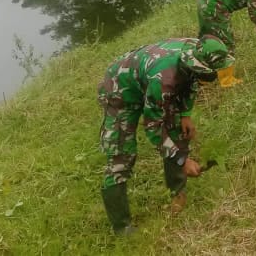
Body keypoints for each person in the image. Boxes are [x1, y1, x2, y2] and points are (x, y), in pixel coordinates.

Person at [98, 36, 230, 232]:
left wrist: (185, 114)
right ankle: (122, 228)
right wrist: (182, 161)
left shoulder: (198, 51)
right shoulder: (164, 80)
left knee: (177, 132)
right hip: (120, 91)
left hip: (148, 79)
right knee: (121, 156)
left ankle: (177, 194)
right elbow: (153, 127)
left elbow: (192, 81)